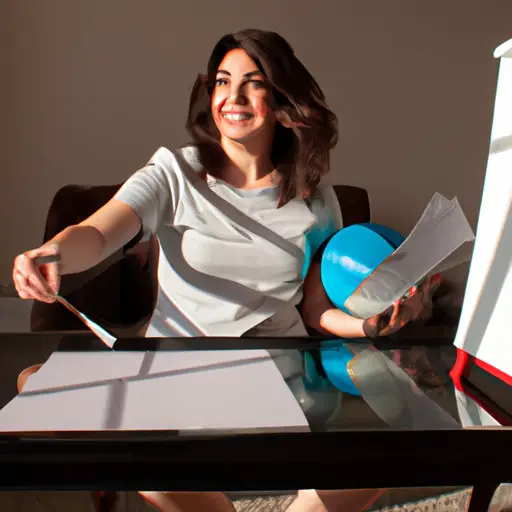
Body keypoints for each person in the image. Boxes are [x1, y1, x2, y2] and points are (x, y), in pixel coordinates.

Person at [12, 29, 437, 512]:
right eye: (221, 81)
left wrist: (371, 324)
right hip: (177, 373)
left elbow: (317, 308)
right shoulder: (174, 171)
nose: (232, 97)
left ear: (280, 100)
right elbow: (98, 232)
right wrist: (52, 253)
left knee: (400, 447)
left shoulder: (317, 198)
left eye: (252, 83)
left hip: (282, 376)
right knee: (36, 382)